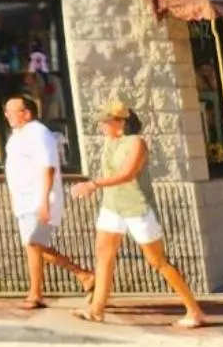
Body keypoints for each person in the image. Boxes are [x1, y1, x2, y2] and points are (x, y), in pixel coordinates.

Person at [70, 100, 207, 329]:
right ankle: (96, 309)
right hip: (112, 205)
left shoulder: (137, 143)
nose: (101, 126)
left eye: (106, 121)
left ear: (121, 122)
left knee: (157, 261)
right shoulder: (110, 142)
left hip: (136, 208)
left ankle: (194, 310)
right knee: (103, 255)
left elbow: (127, 174)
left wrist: (93, 185)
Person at [3, 94, 93, 309]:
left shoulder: (38, 133)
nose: (7, 115)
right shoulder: (16, 137)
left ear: (26, 113)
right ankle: (81, 276)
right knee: (34, 246)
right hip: (24, 200)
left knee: (34, 244)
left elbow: (48, 166)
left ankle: (39, 293)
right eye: (6, 111)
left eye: (12, 111)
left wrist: (44, 200)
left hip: (39, 198)